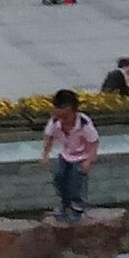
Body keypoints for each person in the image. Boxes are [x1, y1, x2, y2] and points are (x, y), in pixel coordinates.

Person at [41, 88, 100, 222]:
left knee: (76, 180)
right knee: (59, 176)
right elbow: (49, 137)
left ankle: (77, 207)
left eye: (66, 117)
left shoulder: (84, 124)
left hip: (81, 156)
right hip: (65, 153)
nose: (64, 121)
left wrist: (88, 161)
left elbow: (94, 143)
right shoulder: (55, 121)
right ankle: (64, 203)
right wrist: (45, 155)